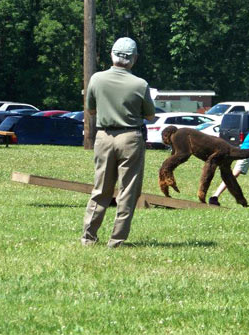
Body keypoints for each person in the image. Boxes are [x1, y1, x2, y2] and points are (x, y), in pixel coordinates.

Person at [81, 37, 155, 248]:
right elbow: (150, 116)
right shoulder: (140, 84)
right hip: (131, 138)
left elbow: (91, 110)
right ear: (134, 59)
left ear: (112, 55)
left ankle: (88, 237)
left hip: (103, 137)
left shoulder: (96, 79)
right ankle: (117, 240)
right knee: (128, 191)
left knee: (100, 189)